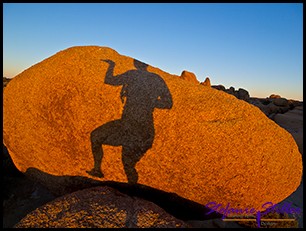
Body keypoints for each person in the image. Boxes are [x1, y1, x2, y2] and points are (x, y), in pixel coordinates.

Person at [86, 59, 173, 184]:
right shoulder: (156, 79)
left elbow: (109, 80)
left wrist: (112, 65)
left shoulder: (132, 74)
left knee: (126, 161)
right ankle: (97, 170)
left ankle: (131, 191)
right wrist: (152, 103)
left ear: (135, 64)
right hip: (131, 125)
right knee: (97, 137)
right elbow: (168, 103)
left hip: (137, 127)